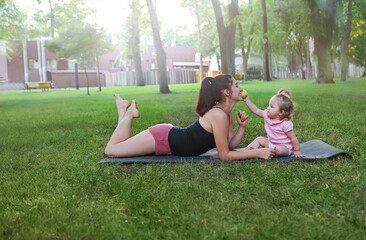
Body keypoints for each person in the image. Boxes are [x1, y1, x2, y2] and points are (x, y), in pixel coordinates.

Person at [105, 74, 276, 161]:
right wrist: (257, 153)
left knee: (120, 145)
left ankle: (123, 110)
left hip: (169, 137)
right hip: (162, 138)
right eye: (237, 85)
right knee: (111, 151)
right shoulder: (218, 114)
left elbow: (229, 146)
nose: (240, 88)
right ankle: (127, 113)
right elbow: (224, 156)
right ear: (227, 92)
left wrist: (242, 127)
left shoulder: (227, 114)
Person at [243, 88, 304, 158]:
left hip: (285, 148)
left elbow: (293, 138)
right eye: (269, 105)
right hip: (271, 143)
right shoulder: (267, 115)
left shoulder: (285, 123)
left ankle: (262, 151)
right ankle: (246, 150)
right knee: (259, 139)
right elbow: (256, 110)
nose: (268, 108)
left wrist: (297, 151)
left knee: (278, 149)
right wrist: (246, 100)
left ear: (281, 112)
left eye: (272, 107)